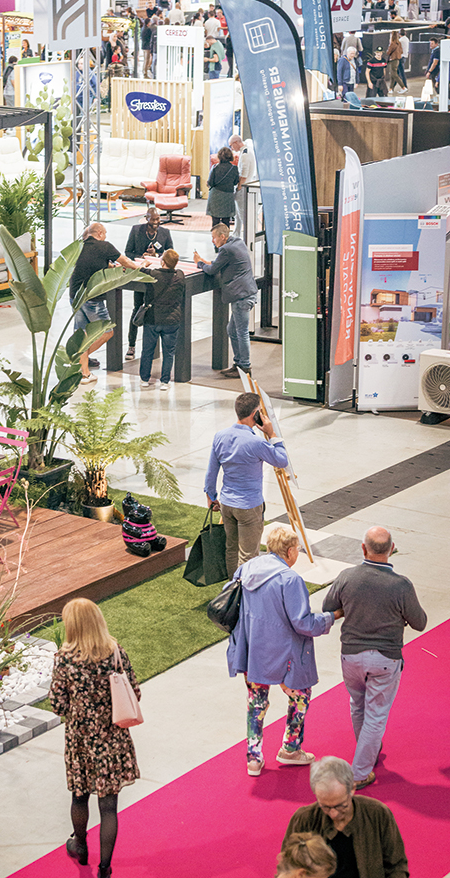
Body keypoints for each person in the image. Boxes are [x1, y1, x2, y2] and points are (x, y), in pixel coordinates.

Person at [228, 525, 339, 775]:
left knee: (256, 702)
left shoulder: (247, 569)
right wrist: (331, 617)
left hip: (251, 649)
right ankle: (290, 747)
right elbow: (303, 623)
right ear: (289, 551)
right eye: (297, 549)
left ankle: (253, 758)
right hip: (285, 653)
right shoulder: (290, 580)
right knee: (300, 696)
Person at [322, 526, 427, 790]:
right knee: (376, 715)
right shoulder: (401, 585)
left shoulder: (347, 577)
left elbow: (327, 608)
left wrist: (354, 607)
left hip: (351, 657)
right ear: (392, 549)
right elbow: (420, 622)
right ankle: (359, 772)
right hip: (385, 659)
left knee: (358, 706)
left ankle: (368, 750)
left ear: (363, 548)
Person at [50, 598, 140, 878]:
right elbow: (134, 692)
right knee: (109, 806)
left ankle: (79, 844)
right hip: (112, 737)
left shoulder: (64, 658)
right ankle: (105, 868)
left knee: (80, 796)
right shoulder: (115, 652)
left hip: (80, 738)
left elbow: (57, 703)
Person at [204, 393, 288, 576]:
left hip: (227, 504)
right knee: (248, 555)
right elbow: (282, 460)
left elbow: (211, 472)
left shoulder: (220, 436)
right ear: (255, 413)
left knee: (231, 549)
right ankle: (244, 595)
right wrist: (271, 433)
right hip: (249, 506)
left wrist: (211, 497)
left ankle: (232, 589)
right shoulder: (256, 442)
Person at [284, 756, 410, 878]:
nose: (334, 814)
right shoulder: (303, 819)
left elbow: (396, 866)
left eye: (340, 806)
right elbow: (288, 867)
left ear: (352, 789)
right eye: (325, 807)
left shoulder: (378, 814)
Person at [69, 222, 137, 384]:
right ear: (99, 233)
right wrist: (139, 267)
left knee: (81, 334)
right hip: (92, 299)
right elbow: (126, 262)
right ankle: (79, 361)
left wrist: (108, 266)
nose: (106, 236)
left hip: (75, 296)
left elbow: (89, 263)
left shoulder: (78, 247)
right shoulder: (104, 246)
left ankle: (84, 373)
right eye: (105, 233)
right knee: (107, 332)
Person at [194, 223, 258, 378]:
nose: (212, 241)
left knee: (241, 332)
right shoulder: (237, 242)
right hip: (246, 292)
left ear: (222, 237)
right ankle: (239, 363)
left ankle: (244, 366)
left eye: (214, 238)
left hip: (241, 296)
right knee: (232, 330)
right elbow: (219, 264)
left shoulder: (226, 249)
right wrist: (207, 262)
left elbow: (212, 270)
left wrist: (199, 262)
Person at [124, 207, 174, 361]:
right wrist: (142, 256)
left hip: (158, 278)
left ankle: (152, 348)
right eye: (153, 220)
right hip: (141, 276)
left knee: (155, 311)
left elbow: (171, 253)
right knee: (137, 309)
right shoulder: (136, 231)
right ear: (147, 218)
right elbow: (128, 252)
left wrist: (157, 255)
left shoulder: (165, 233)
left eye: (158, 219)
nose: (156, 223)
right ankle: (131, 346)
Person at [138, 248, 184, 391]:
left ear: (162, 261)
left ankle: (145, 379)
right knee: (169, 352)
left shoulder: (153, 274)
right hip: (172, 319)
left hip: (153, 319)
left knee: (147, 350)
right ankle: (165, 381)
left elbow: (139, 271)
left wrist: (144, 264)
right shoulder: (180, 276)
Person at [228, 134, 257, 240]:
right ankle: (236, 233)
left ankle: (247, 236)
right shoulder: (247, 151)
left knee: (242, 213)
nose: (232, 148)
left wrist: (239, 187)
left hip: (243, 187)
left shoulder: (245, 154)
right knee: (238, 213)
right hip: (246, 185)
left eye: (231, 145)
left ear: (236, 143)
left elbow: (243, 174)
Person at [207, 146, 239, 227]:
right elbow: (235, 182)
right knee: (226, 220)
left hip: (215, 196)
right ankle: (225, 238)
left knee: (215, 220)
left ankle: (215, 238)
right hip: (228, 196)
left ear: (219, 156)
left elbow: (210, 182)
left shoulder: (215, 167)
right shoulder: (234, 168)